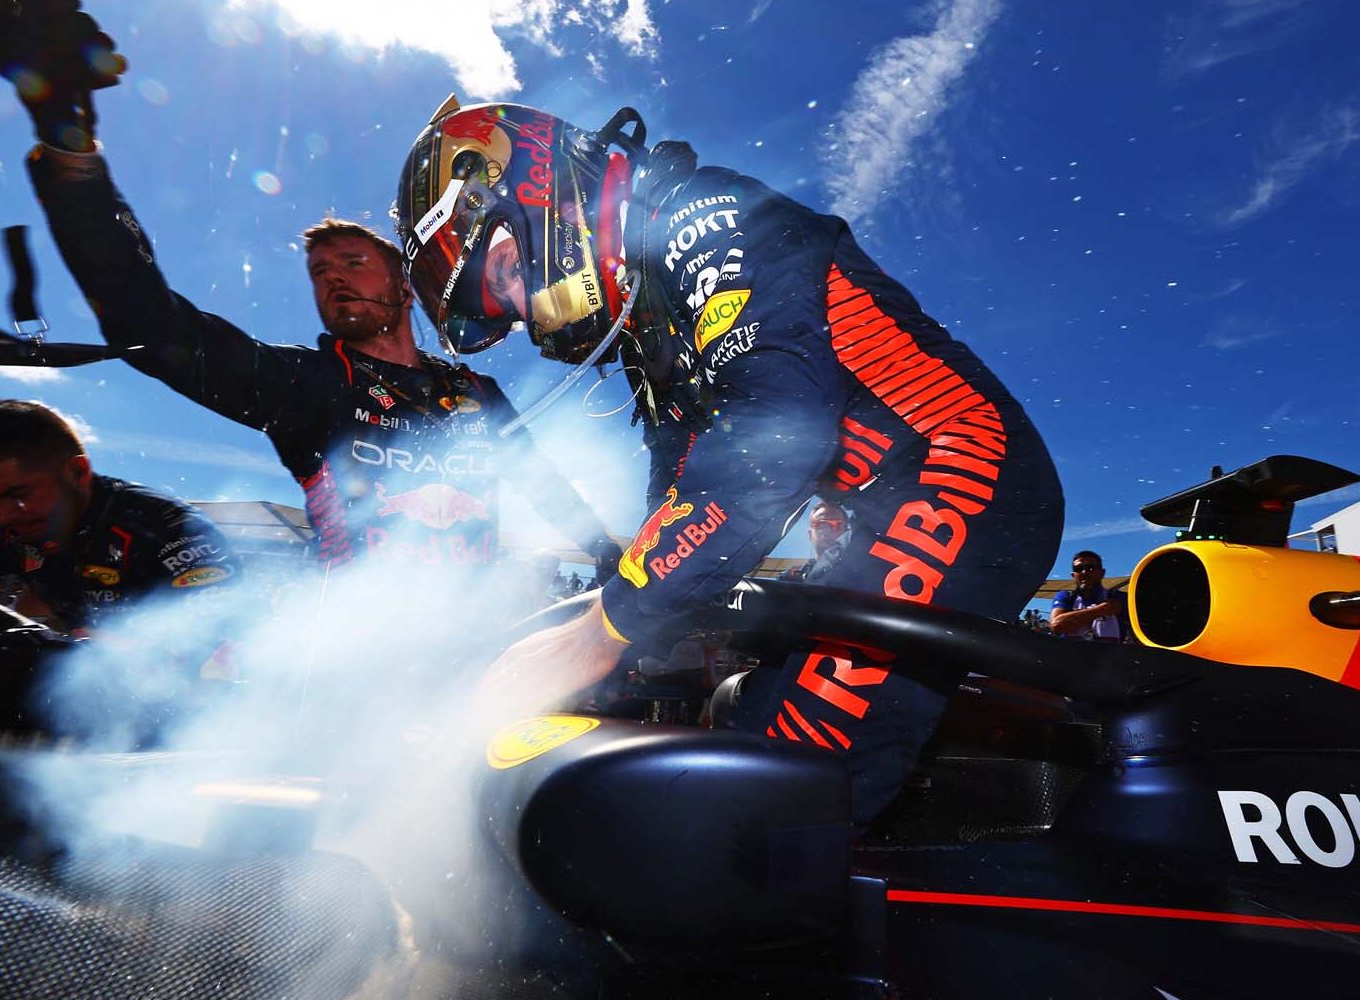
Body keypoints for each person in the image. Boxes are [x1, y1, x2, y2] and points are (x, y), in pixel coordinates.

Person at [395, 98, 1065, 824]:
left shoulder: (700, 213)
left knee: (778, 785)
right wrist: (612, 619)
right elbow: (679, 498)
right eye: (497, 310)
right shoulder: (648, 319)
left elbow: (775, 429)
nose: (520, 312)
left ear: (536, 195)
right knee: (746, 718)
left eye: (501, 276)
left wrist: (602, 633)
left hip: (963, 462)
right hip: (883, 507)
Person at [0, 7, 618, 576]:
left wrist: (614, 559)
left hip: (481, 650)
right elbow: (150, 327)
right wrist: (69, 150)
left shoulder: (479, 394)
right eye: (318, 272)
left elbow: (546, 488)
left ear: (407, 285)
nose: (332, 277)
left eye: (353, 261)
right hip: (353, 656)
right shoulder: (303, 384)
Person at [0, 399, 238, 639]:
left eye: (17, 496)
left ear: (78, 473)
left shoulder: (170, 528)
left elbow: (220, 629)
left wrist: (90, 649)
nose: (1, 516)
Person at [1049, 550, 1130, 642]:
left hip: (1110, 655)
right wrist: (1102, 609)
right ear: (1073, 575)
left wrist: (1075, 619)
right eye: (1078, 569)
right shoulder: (1066, 596)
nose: (1084, 572)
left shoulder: (1119, 597)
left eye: (1090, 568)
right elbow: (1056, 626)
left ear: (1102, 572)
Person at [779, 500, 850, 584]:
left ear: (847, 532)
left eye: (836, 525)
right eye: (820, 525)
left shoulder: (863, 574)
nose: (827, 531)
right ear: (810, 535)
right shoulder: (792, 579)